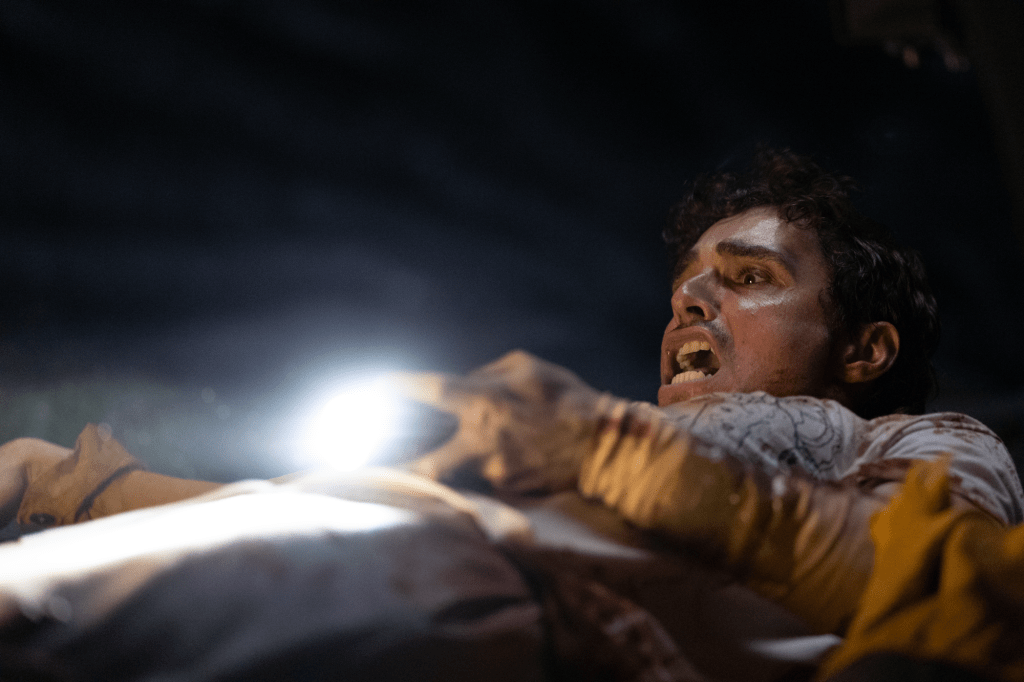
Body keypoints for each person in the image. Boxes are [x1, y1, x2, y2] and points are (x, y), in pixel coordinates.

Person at [1, 149, 1021, 681]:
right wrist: (82, 485)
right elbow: (339, 520)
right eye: (682, 290)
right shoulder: (583, 439)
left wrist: (615, 455)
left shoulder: (916, 443)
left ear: (865, 350)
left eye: (749, 277)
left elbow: (940, 590)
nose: (693, 303)